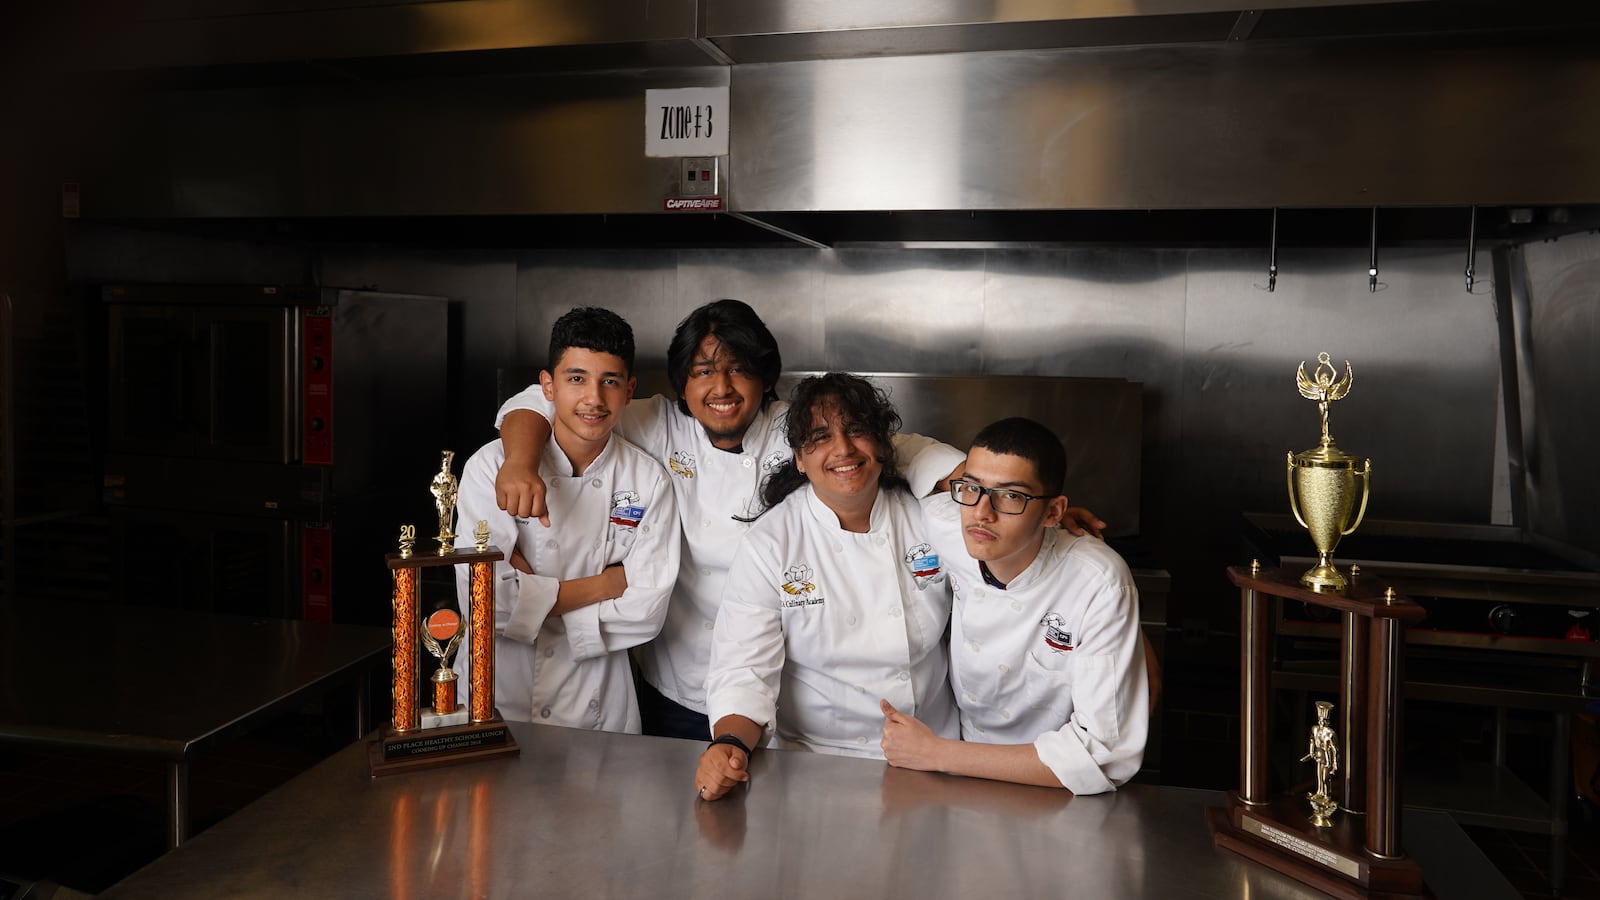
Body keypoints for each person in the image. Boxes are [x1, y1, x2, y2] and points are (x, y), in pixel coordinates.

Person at [492, 299, 975, 738]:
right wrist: (518, 462)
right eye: (703, 371)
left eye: (739, 369)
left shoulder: (796, 426)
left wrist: (973, 486)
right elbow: (548, 402)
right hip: (679, 681)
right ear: (683, 384)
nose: (721, 388)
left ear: (765, 379)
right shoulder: (657, 423)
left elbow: (891, 447)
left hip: (776, 688)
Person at [695, 373, 961, 800]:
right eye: (820, 437)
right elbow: (743, 669)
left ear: (882, 444)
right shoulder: (772, 543)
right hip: (815, 766)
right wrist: (729, 745)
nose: (843, 449)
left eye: (856, 430)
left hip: (932, 754)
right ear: (800, 459)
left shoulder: (927, 518)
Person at [879, 417, 1149, 794]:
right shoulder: (949, 524)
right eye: (971, 487)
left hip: (1055, 785)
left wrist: (935, 753)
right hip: (966, 779)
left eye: (1011, 496)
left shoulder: (1097, 581)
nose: (981, 513)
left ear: (1053, 512)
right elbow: (897, 448)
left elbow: (1104, 752)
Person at [450, 307, 681, 733]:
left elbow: (646, 612)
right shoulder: (490, 467)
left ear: (629, 390)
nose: (594, 398)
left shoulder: (648, 481)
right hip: (498, 691)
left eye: (610, 381)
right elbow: (487, 602)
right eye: (576, 378)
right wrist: (606, 585)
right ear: (547, 386)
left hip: (597, 705)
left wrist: (530, 594)